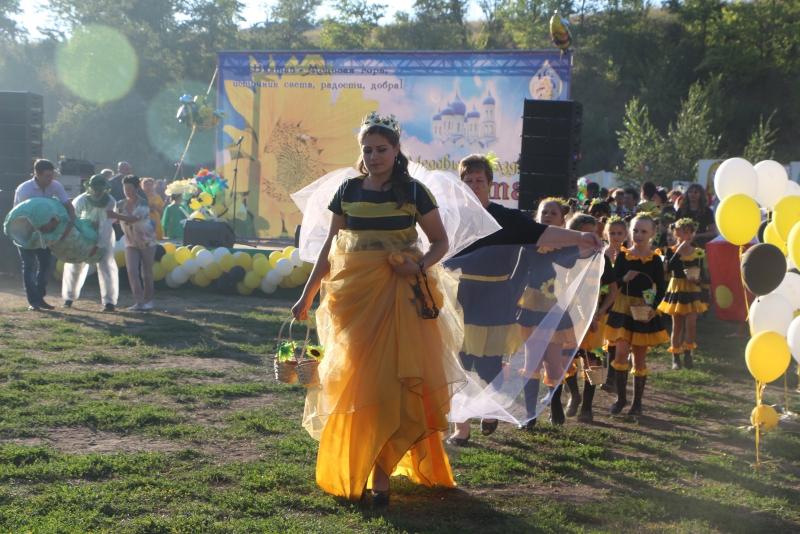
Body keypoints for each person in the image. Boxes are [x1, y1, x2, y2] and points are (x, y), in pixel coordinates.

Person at [291, 112, 463, 504]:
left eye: (381, 149)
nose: (373, 156)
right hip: (352, 299)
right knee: (357, 382)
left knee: (393, 382)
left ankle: (382, 475)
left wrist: (418, 266)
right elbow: (330, 247)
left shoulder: (414, 192)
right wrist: (307, 292)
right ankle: (361, 462)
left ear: (397, 150)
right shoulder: (348, 190)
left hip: (400, 296)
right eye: (367, 150)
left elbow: (439, 242)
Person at [447, 154, 601, 444]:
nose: (474, 185)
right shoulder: (453, 219)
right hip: (462, 298)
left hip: (494, 302)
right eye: (468, 180)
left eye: (480, 180)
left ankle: (489, 408)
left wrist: (579, 238)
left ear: (490, 184)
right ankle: (461, 427)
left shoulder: (505, 218)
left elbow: (541, 233)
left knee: (489, 366)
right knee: (460, 365)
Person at [604, 215, 668, 416]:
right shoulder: (624, 256)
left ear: (652, 234)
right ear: (630, 232)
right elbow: (613, 281)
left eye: (644, 231)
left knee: (639, 357)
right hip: (623, 307)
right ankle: (620, 398)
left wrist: (651, 307)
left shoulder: (655, 259)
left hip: (643, 309)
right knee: (621, 352)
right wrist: (624, 277)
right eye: (635, 231)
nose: (639, 235)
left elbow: (660, 287)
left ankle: (636, 403)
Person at [568, 214, 618, 423]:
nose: (592, 237)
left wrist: (601, 311)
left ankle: (587, 407)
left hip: (595, 316)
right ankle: (574, 395)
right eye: (586, 233)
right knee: (567, 358)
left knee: (592, 361)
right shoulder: (566, 256)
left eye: (595, 233)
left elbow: (613, 289)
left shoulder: (602, 258)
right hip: (570, 314)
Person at [13, 159, 76, 311]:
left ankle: (39, 296)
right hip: (23, 230)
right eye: (48, 176)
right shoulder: (24, 190)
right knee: (29, 265)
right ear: (37, 174)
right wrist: (41, 225)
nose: (51, 178)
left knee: (47, 262)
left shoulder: (55, 185)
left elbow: (69, 206)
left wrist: (69, 226)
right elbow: (23, 216)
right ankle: (34, 301)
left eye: (52, 175)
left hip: (42, 232)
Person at [61, 175, 119, 312]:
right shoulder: (82, 199)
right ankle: (69, 298)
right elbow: (72, 217)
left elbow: (106, 224)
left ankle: (109, 302)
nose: (98, 193)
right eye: (95, 189)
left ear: (105, 189)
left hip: (104, 236)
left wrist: (99, 245)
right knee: (75, 264)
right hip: (84, 234)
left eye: (100, 190)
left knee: (106, 266)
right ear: (90, 188)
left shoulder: (110, 201)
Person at [659, 218, 706, 370]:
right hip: (677, 288)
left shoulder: (697, 251)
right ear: (677, 234)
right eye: (685, 232)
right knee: (677, 325)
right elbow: (670, 267)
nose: (689, 235)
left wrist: (698, 279)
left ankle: (688, 354)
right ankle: (675, 357)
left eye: (691, 232)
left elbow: (702, 273)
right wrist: (679, 249)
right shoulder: (670, 250)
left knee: (691, 325)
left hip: (691, 289)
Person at [107, 175, 156, 311]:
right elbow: (111, 219)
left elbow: (134, 218)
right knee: (132, 271)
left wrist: (115, 216)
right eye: (125, 188)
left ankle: (148, 300)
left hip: (147, 242)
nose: (127, 191)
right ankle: (139, 302)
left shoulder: (143, 203)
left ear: (136, 188)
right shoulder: (121, 204)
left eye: (130, 188)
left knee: (146, 274)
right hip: (130, 243)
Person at [599, 216, 629, 394]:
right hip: (603, 300)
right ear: (605, 234)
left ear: (625, 235)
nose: (615, 236)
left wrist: (623, 280)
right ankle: (601, 372)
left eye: (619, 233)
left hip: (621, 302)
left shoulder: (628, 254)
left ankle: (610, 376)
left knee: (614, 339)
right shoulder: (601, 253)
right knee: (602, 337)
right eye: (612, 233)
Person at [676, 183, 717, 249]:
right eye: (690, 192)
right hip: (682, 244)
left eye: (696, 192)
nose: (692, 194)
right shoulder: (681, 210)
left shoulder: (707, 211)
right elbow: (675, 228)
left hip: (699, 246)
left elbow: (712, 232)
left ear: (701, 194)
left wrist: (699, 235)